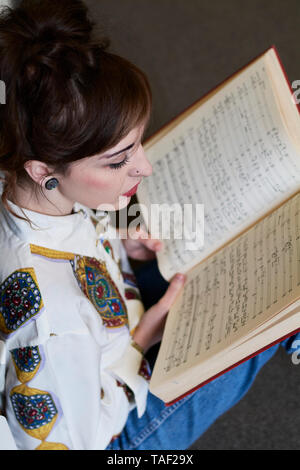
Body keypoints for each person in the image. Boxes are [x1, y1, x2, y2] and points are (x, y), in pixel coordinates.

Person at [0, 0, 298, 451]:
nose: (145, 166)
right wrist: (140, 344)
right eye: (120, 160)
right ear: (44, 170)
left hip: (108, 315)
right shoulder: (54, 329)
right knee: (263, 320)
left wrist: (117, 239)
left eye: (137, 144)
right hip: (111, 430)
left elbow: (72, 229)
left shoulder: (25, 181)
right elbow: (72, 442)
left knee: (218, 250)